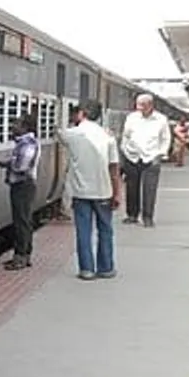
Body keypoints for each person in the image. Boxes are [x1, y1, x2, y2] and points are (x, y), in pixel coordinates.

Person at [58, 99, 122, 280]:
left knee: (83, 231)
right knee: (105, 230)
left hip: (81, 192)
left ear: (81, 114)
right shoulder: (108, 136)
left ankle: (87, 269)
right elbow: (114, 168)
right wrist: (117, 193)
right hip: (103, 190)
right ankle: (106, 268)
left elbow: (60, 133)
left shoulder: (71, 134)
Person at [0, 114, 40, 270]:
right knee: (23, 220)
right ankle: (23, 255)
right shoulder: (23, 143)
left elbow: (22, 166)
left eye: (17, 123)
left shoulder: (28, 144)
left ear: (25, 127)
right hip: (22, 185)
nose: (13, 126)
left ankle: (21, 256)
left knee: (22, 221)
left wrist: (6, 163)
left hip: (23, 185)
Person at [120, 94, 170, 226]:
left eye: (142, 105)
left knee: (150, 189)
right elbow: (125, 136)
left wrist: (160, 155)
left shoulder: (161, 119)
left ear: (150, 105)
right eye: (137, 105)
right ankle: (132, 214)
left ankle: (148, 217)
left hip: (151, 157)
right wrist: (125, 150)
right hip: (132, 156)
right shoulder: (131, 118)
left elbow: (165, 139)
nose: (138, 108)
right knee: (131, 187)